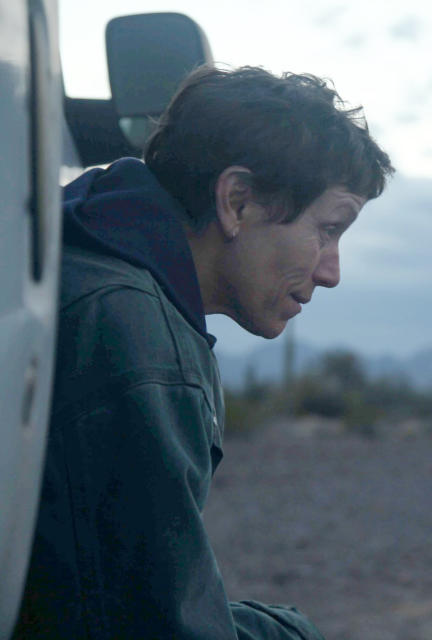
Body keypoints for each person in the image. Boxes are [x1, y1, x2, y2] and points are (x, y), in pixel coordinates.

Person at [15, 65, 393, 639]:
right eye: (329, 227)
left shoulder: (74, 258)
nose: (331, 271)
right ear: (237, 201)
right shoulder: (135, 342)